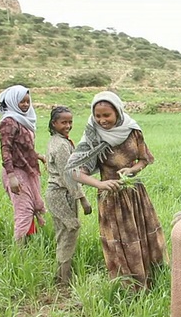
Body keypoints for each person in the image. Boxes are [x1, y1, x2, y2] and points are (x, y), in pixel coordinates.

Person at [66, 90, 168, 290]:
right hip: (111, 199)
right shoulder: (93, 136)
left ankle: (153, 281)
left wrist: (131, 170)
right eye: (98, 116)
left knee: (144, 236)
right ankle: (128, 288)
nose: (102, 120)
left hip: (135, 195)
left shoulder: (132, 130)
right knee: (120, 243)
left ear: (118, 112)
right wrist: (100, 184)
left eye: (107, 115)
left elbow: (145, 159)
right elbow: (74, 171)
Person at [45, 106, 92, 285]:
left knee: (63, 232)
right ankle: (63, 280)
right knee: (69, 231)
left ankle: (62, 276)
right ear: (54, 123)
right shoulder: (62, 145)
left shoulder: (56, 140)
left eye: (70, 122)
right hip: (61, 194)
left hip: (56, 193)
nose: (68, 125)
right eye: (63, 122)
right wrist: (84, 199)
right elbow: (68, 175)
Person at [0, 85, 46, 245]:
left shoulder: (23, 120)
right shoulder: (9, 122)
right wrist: (11, 176)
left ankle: (29, 242)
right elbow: (6, 149)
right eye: (21, 102)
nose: (25, 105)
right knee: (24, 210)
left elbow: (23, 147)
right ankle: (19, 252)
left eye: (27, 101)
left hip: (27, 169)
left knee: (32, 206)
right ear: (12, 102)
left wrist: (38, 156)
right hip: (16, 172)